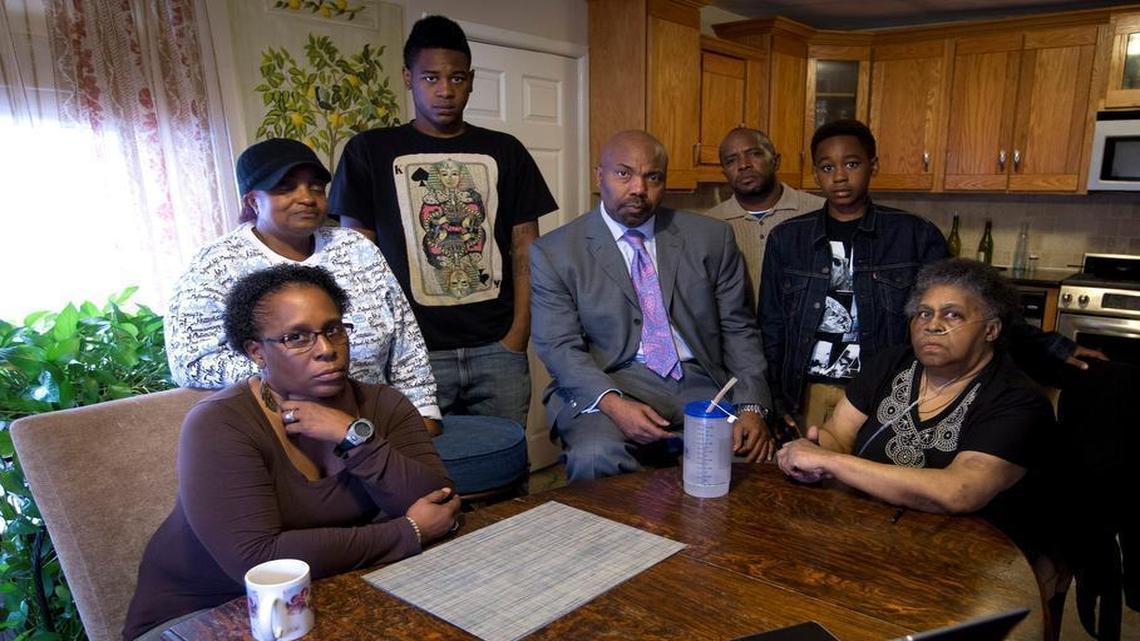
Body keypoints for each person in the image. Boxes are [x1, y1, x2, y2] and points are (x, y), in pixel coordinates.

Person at [124, 264, 460, 640]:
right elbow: (258, 559)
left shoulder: (383, 405)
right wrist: (407, 531)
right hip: (199, 616)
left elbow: (439, 501)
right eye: (297, 337)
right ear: (257, 352)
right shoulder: (219, 424)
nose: (327, 350)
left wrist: (352, 436)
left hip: (322, 595)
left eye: (333, 329)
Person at [759, 119, 1095, 434]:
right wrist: (770, 401)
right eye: (827, 167)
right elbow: (771, 328)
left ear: (873, 165)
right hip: (802, 394)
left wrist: (1050, 346)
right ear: (816, 172)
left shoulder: (914, 235)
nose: (840, 177)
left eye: (852, 164)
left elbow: (972, 306)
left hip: (885, 395)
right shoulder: (787, 239)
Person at [329, 15, 558, 428]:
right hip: (412, 356)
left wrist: (517, 335)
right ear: (408, 78)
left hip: (496, 347)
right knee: (424, 474)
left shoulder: (505, 151)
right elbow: (356, 263)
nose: (445, 91)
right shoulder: (370, 151)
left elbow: (526, 246)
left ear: (470, 80)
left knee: (503, 465)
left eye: (456, 79)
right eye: (431, 78)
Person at [530, 130, 775, 483]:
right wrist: (614, 404)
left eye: (653, 177)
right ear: (599, 175)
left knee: (747, 461)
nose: (639, 189)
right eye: (624, 173)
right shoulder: (556, 252)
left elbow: (739, 329)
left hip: (701, 383)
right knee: (595, 455)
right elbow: (558, 346)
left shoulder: (711, 238)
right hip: (610, 382)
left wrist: (751, 407)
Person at [165, 138, 441, 434]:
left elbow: (405, 338)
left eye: (316, 187)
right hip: (287, 432)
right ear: (252, 201)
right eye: (286, 187)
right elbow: (190, 362)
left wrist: (423, 411)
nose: (307, 197)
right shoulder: (215, 265)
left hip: (378, 419)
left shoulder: (356, 248)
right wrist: (289, 372)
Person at [776, 258, 1053, 523]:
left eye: (953, 315)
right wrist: (812, 458)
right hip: (868, 527)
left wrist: (832, 462)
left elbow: (960, 492)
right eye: (924, 313)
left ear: (991, 330)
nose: (932, 325)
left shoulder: (1017, 399)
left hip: (974, 554)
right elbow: (838, 434)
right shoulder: (890, 364)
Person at [703, 127, 824, 303]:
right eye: (731, 161)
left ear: (776, 161)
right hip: (740, 329)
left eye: (754, 154)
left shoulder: (818, 211)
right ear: (724, 174)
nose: (744, 165)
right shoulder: (710, 224)